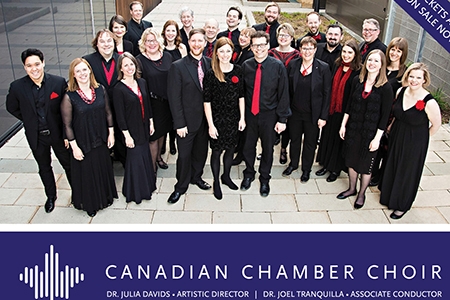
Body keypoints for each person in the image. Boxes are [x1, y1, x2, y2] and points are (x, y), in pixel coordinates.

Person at [6, 48, 72, 213]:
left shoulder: (58, 82)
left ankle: (78, 194)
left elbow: (66, 110)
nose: (34, 68)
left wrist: (66, 134)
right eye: (29, 66)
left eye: (37, 64)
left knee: (69, 164)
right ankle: (51, 196)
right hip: (37, 136)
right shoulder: (17, 87)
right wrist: (29, 119)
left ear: (43, 63)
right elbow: (11, 107)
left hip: (57, 134)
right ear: (24, 67)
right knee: (44, 167)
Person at [380, 63, 441, 219]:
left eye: (418, 77)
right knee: (393, 164)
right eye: (411, 76)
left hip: (415, 141)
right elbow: (397, 114)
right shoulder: (401, 91)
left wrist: (421, 139)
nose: (414, 80)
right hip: (397, 134)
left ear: (424, 80)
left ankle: (402, 204)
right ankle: (388, 196)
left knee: (408, 171)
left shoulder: (429, 102)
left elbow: (436, 125)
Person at [61, 58, 117, 217]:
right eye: (78, 71)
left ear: (90, 71)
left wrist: (111, 133)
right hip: (82, 141)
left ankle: (105, 196)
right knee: (87, 173)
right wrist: (74, 147)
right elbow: (67, 125)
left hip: (100, 138)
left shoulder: (100, 90)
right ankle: (90, 203)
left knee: (101, 167)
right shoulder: (69, 96)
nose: (82, 73)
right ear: (73, 74)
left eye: (84, 69)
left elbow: (108, 113)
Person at [337, 49, 393, 209]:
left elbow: (384, 116)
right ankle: (352, 188)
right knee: (351, 159)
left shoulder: (385, 88)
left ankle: (361, 194)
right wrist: (343, 124)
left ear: (381, 65)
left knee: (366, 165)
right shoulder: (357, 80)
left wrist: (377, 138)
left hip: (370, 133)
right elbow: (349, 105)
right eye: (370, 60)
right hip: (354, 128)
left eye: (376, 61)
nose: (372, 63)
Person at [240, 31, 291, 197]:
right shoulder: (246, 66)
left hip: (269, 115)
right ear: (251, 46)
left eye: (262, 44)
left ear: (268, 45)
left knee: (267, 149)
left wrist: (282, 119)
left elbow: (284, 93)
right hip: (250, 114)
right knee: (248, 146)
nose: (258, 48)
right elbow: (241, 93)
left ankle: (264, 177)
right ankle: (249, 173)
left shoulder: (278, 67)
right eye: (255, 45)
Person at [167, 28, 212, 204]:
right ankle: (181, 186)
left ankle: (197, 177)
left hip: (205, 121)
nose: (196, 44)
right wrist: (179, 123)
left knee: (201, 153)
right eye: (193, 40)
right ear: (188, 42)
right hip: (185, 122)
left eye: (200, 41)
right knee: (184, 156)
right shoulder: (177, 66)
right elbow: (174, 97)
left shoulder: (210, 63)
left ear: (205, 43)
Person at [282, 37, 331, 183]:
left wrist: (323, 116)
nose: (307, 51)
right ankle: (293, 164)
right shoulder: (293, 64)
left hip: (313, 115)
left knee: (310, 143)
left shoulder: (323, 68)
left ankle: (306, 169)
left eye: (310, 48)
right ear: (300, 50)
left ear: (315, 50)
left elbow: (327, 93)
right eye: (304, 48)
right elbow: (287, 90)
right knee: (294, 140)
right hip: (295, 113)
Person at [204, 37, 246, 200]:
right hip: (216, 120)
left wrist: (242, 118)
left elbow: (241, 96)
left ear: (232, 52)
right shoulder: (211, 73)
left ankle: (226, 176)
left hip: (233, 119)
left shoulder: (238, 70)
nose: (225, 54)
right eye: (221, 51)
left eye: (228, 50)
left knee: (229, 150)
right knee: (216, 152)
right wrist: (210, 125)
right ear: (216, 53)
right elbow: (206, 101)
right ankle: (216, 181)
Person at [316, 39, 362, 182]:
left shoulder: (358, 71)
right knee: (327, 137)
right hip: (332, 109)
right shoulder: (337, 65)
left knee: (338, 141)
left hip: (345, 111)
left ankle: (335, 169)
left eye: (350, 52)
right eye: (344, 52)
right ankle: (325, 164)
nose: (346, 55)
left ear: (355, 54)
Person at [113, 53, 156, 203]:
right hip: (131, 130)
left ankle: (148, 185)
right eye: (125, 65)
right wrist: (127, 135)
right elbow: (120, 115)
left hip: (144, 126)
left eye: (131, 64)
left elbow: (148, 104)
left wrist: (151, 122)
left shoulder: (142, 82)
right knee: (135, 159)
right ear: (121, 68)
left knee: (145, 155)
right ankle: (136, 191)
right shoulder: (118, 89)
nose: (129, 68)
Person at [83, 29, 126, 167]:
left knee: (121, 138)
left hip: (119, 108)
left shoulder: (121, 59)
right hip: (98, 110)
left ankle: (123, 161)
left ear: (114, 42)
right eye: (102, 41)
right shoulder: (87, 61)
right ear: (96, 44)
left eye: (109, 40)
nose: (106, 44)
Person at [369, 37, 409, 186]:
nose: (394, 53)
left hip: (391, 115)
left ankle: (381, 176)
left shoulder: (403, 73)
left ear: (403, 54)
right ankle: (371, 172)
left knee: (386, 147)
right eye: (392, 49)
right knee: (375, 146)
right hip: (376, 112)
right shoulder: (382, 67)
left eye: (399, 51)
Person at [137, 28, 173, 173]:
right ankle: (151, 169)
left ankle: (158, 158)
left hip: (166, 103)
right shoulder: (139, 60)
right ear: (143, 43)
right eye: (148, 41)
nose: (152, 43)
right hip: (151, 103)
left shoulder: (168, 56)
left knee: (162, 132)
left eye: (154, 40)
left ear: (159, 41)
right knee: (153, 137)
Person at [268, 23, 300, 165]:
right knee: (269, 122)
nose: (283, 38)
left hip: (290, 94)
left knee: (286, 122)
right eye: (280, 35)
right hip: (272, 93)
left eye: (286, 35)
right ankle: (266, 148)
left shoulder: (297, 55)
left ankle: (283, 149)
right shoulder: (270, 53)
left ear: (292, 38)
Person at [232, 27, 256, 166]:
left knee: (244, 127)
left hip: (245, 96)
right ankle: (237, 146)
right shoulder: (238, 50)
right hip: (236, 94)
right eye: (241, 35)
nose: (242, 38)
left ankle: (241, 153)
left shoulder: (250, 55)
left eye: (246, 37)